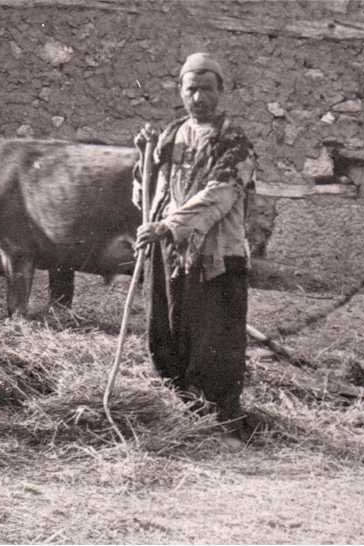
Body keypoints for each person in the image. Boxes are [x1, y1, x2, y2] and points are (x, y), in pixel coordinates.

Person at [133, 53, 257, 448]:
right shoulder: (170, 136)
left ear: (221, 91)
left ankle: (220, 421)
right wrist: (142, 159)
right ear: (180, 92)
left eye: (207, 89)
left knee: (214, 338)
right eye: (192, 89)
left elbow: (219, 195)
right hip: (170, 254)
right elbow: (151, 193)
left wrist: (169, 227)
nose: (199, 97)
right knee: (167, 331)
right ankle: (177, 411)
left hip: (216, 256)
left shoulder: (234, 142)